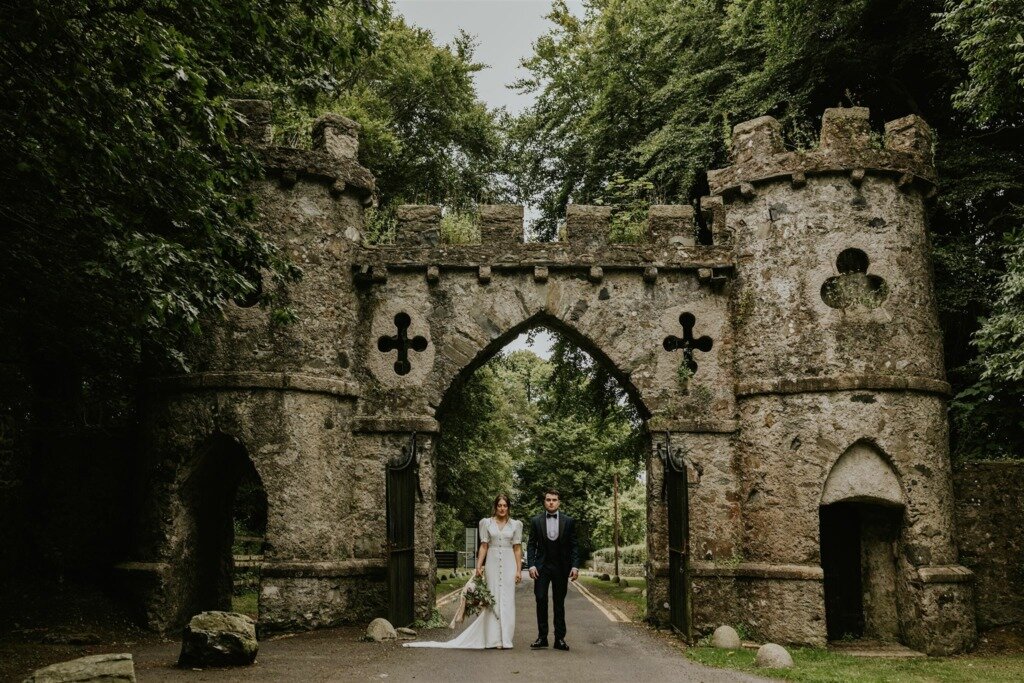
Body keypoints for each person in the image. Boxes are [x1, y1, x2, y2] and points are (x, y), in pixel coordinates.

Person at [404, 493, 522, 649]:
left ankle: (506, 638)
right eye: (499, 505)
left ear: (508, 508)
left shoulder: (515, 525)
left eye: (505, 505)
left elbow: (517, 549)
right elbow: (484, 546)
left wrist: (518, 570)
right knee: (492, 599)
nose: (502, 508)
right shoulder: (486, 523)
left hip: (509, 564)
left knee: (507, 601)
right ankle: (493, 639)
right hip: (492, 562)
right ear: (495, 507)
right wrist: (478, 566)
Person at [527, 488, 580, 651]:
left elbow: (574, 545)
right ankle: (542, 638)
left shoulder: (568, 521)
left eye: (554, 500)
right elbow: (531, 544)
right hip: (542, 567)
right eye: (548, 499)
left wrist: (575, 565)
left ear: (559, 502)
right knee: (541, 599)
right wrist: (531, 565)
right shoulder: (536, 521)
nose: (551, 502)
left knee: (559, 602)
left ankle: (560, 639)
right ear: (544, 502)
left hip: (561, 567)